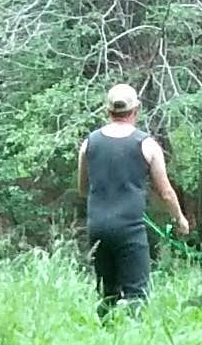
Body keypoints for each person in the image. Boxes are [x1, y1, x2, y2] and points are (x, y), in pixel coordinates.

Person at [77, 81, 190, 313]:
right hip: (130, 229)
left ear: (108, 111)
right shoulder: (146, 145)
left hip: (97, 226)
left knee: (107, 292)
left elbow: (82, 188)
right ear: (136, 110)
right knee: (136, 294)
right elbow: (166, 192)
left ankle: (106, 339)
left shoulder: (89, 143)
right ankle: (132, 339)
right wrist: (180, 219)